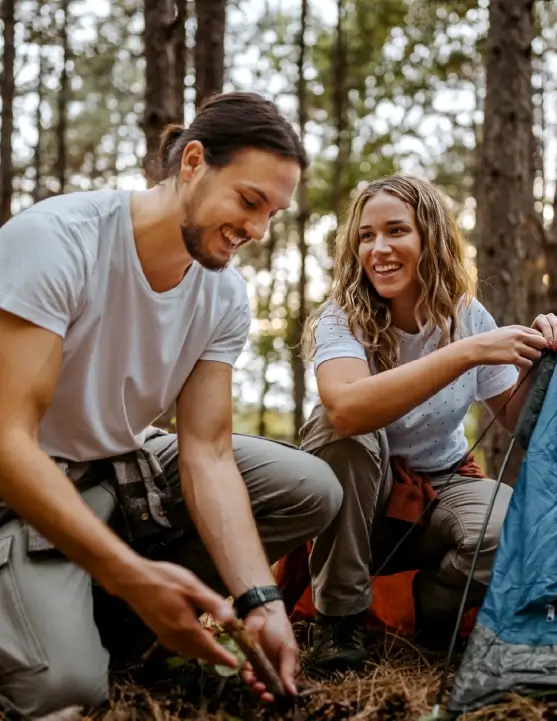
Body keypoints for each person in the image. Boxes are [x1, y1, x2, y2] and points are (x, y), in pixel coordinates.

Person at [0, 91, 343, 719]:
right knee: (66, 692)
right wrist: (135, 573)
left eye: (274, 213)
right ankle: (92, 603)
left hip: (121, 464)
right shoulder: (54, 241)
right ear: (191, 163)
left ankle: (131, 616)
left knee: (308, 486)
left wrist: (260, 601)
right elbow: (7, 443)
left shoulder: (224, 295)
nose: (258, 230)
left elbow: (208, 454)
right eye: (248, 201)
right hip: (24, 485)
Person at [297, 174, 557, 672]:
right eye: (366, 235)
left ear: (430, 237)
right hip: (360, 502)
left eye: (396, 231)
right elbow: (346, 409)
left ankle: (432, 610)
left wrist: (545, 358)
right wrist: (467, 354)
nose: (378, 248)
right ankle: (339, 624)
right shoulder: (341, 319)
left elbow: (514, 418)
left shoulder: (467, 316)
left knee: (518, 530)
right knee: (342, 431)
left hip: (444, 482)